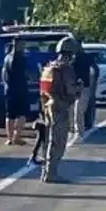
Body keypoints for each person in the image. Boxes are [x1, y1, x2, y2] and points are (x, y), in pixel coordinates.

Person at [39, 36, 81, 184]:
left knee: (50, 140)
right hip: (60, 106)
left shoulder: (49, 67)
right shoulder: (65, 68)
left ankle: (46, 172)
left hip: (48, 105)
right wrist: (78, 88)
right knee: (59, 141)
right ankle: (51, 173)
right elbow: (70, 90)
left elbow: (43, 89)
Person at [2, 39, 29, 146]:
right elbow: (25, 74)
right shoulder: (21, 58)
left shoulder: (7, 57)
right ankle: (17, 137)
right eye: (22, 44)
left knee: (10, 114)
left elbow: (4, 74)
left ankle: (9, 138)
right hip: (20, 89)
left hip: (9, 89)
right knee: (22, 114)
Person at [72, 39, 96, 139]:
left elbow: (95, 70)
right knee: (71, 111)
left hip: (84, 87)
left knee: (79, 111)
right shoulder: (71, 58)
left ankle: (79, 132)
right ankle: (72, 130)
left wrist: (93, 86)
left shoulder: (87, 57)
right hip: (71, 88)